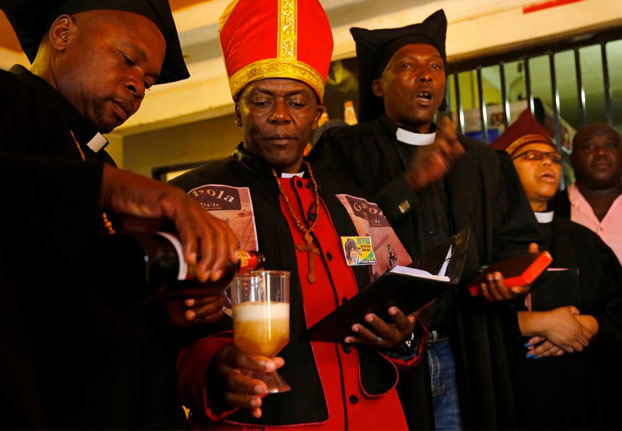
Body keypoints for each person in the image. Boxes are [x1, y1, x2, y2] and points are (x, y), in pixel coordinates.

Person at [171, 0, 428, 428]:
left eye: (297, 102)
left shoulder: (352, 199)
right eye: (261, 100)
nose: (280, 116)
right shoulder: (191, 198)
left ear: (318, 116)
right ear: (238, 111)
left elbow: (405, 306)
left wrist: (403, 337)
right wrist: (213, 369)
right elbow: (161, 333)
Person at [0, 1, 238, 428]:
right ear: (62, 34)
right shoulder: (8, 101)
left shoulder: (98, 159)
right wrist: (113, 188)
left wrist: (169, 307)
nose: (139, 88)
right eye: (128, 60)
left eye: (148, 82)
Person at [310, 9, 542, 429]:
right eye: (408, 66)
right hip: (382, 353)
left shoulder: (483, 161)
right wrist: (409, 185)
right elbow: (335, 237)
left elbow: (516, 239)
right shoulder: (345, 151)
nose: (425, 75)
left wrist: (508, 278)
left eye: (435, 66)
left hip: (470, 349)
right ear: (378, 86)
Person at [492, 109, 622, 429]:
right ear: (504, 169)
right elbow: (465, 318)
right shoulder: (487, 238)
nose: (548, 163)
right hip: (516, 397)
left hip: (589, 393)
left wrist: (589, 325)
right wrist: (541, 323)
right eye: (532, 156)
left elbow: (618, 305)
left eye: (552, 157)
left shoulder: (584, 239)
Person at [549, 123, 622, 264]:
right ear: (572, 160)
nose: (601, 152)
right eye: (589, 147)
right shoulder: (551, 210)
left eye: (610, 146)